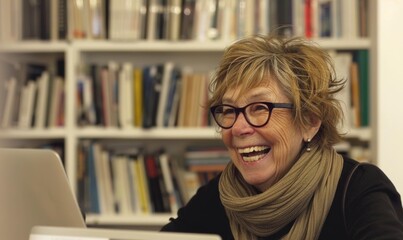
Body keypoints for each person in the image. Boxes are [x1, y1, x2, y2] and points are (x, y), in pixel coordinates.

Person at [161, 35, 403, 240]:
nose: (238, 128)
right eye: (229, 110)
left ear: (309, 122)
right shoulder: (217, 197)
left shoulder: (359, 189)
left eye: (259, 108)